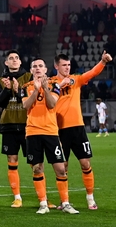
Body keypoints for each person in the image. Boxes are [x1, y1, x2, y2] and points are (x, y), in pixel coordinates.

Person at [51, 51, 111, 210]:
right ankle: (64, 201)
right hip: (59, 130)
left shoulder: (75, 80)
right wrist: (59, 85)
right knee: (62, 167)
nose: (67, 68)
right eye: (64, 65)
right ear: (56, 66)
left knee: (85, 163)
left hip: (78, 128)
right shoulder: (51, 83)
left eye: (69, 65)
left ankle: (90, 198)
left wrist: (103, 62)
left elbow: (91, 73)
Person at [21, 58, 78, 214]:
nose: (38, 68)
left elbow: (52, 104)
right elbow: (25, 105)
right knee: (37, 169)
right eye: (35, 66)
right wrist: (35, 90)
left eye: (40, 66)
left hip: (51, 132)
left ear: (46, 69)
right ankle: (43, 203)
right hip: (33, 132)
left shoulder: (55, 86)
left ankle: (65, 203)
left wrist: (45, 89)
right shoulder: (25, 87)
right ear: (31, 70)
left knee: (60, 168)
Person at [0, 49, 32, 208]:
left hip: (27, 125)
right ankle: (17, 197)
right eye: (11, 58)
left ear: (21, 62)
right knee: (12, 160)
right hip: (8, 125)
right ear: (6, 62)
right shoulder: (0, 81)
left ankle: (42, 197)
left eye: (17, 57)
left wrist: (18, 90)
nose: (14, 60)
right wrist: (7, 90)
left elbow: (34, 95)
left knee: (35, 163)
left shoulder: (29, 77)